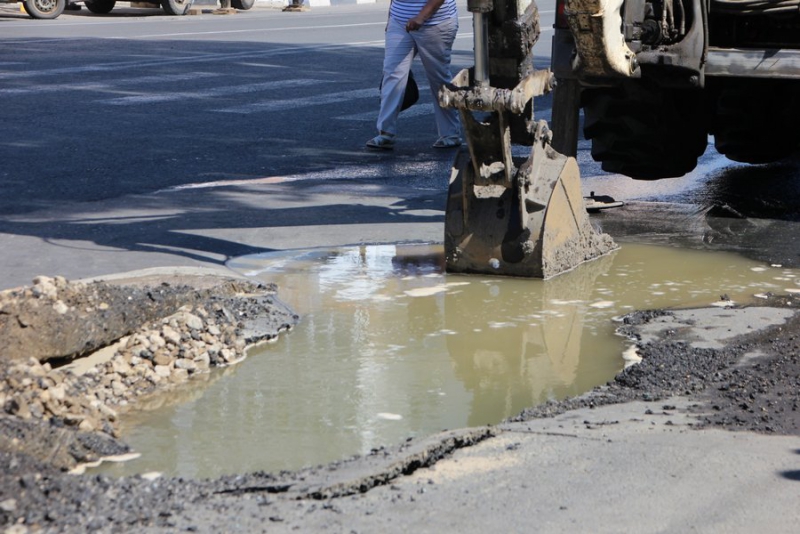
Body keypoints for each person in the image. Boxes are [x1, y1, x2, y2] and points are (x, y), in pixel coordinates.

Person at [366, 0, 461, 150]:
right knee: (392, 73)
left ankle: (450, 133)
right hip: (399, 21)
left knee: (438, 78)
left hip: (435, 23)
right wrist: (391, 17)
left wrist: (421, 17)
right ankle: (385, 133)